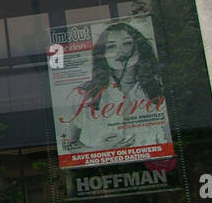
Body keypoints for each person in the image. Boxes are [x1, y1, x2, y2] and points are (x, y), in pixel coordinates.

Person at [59, 21, 166, 154]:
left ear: (139, 47)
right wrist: (100, 151)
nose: (120, 51)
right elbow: (67, 144)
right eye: (111, 46)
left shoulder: (161, 88)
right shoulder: (84, 95)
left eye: (127, 43)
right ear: (102, 53)